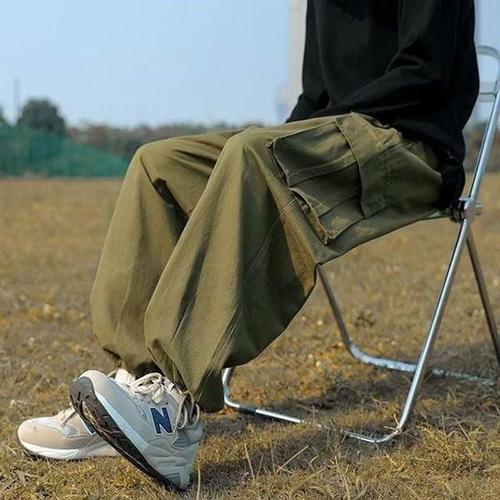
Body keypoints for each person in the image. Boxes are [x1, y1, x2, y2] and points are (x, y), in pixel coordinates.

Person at [18, 0, 479, 490]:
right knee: (158, 164)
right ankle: (136, 386)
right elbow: (315, 95)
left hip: (410, 145)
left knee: (254, 156)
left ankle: (171, 412)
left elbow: (425, 74)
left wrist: (296, 140)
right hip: (334, 134)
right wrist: (293, 136)